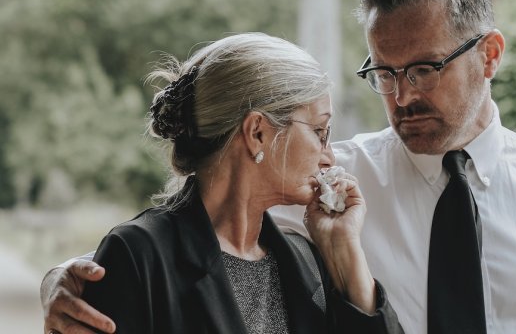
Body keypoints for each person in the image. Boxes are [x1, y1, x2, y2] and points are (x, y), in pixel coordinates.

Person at [41, 0, 516, 334]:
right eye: (384, 73)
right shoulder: (327, 185)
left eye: (425, 69)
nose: (401, 96)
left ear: (490, 56)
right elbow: (197, 225)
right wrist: (66, 283)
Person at [41, 32, 404, 334]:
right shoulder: (138, 254)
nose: (329, 157)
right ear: (258, 132)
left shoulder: (305, 257)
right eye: (320, 132)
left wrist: (345, 251)